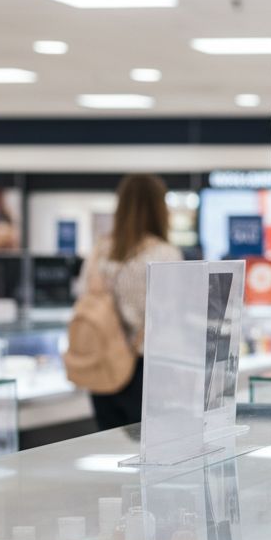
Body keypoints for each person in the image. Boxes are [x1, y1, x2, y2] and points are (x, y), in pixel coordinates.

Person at [85, 174, 182, 430]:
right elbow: (172, 316)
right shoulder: (165, 254)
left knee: (109, 447)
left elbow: (84, 295)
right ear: (159, 208)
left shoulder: (100, 250)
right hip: (147, 367)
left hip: (102, 363)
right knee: (151, 451)